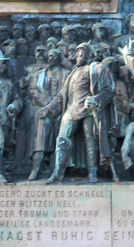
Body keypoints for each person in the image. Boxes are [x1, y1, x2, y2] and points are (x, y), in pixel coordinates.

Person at [43, 43, 115, 183]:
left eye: (82, 53)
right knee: (62, 138)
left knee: (90, 140)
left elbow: (109, 90)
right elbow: (61, 95)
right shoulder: (72, 74)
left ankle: (92, 172)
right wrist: (48, 108)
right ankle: (57, 173)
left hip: (89, 109)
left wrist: (96, 99)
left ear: (89, 54)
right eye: (77, 53)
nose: (78, 55)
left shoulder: (97, 69)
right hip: (72, 109)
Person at [26, 48, 69, 180]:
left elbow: (66, 92)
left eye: (54, 56)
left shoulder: (66, 74)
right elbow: (33, 90)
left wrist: (52, 107)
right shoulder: (38, 74)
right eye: (49, 56)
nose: (51, 58)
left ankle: (55, 170)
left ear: (59, 58)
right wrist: (46, 103)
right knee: (40, 141)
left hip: (60, 111)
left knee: (58, 141)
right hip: (42, 110)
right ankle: (35, 169)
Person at [0, 49, 22, 184]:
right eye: (1, 63)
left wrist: (15, 105)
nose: (4, 66)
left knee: (3, 147)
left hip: (6, 120)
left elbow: (18, 99)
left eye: (4, 63)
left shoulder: (9, 83)